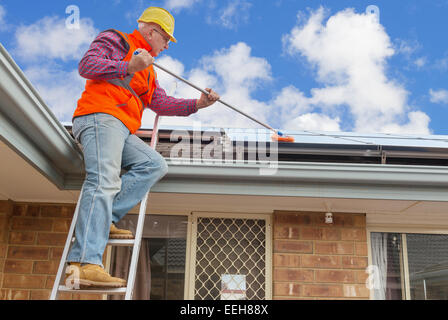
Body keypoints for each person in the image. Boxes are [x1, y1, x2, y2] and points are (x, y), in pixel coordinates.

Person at [65, 7, 219, 288]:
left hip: (123, 128)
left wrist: (197, 104)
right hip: (101, 116)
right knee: (104, 180)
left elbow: (160, 103)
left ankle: (105, 217)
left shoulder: (149, 70)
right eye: (166, 39)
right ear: (151, 32)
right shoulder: (118, 40)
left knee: (155, 164)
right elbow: (87, 65)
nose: (167, 46)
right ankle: (85, 261)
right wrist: (128, 66)